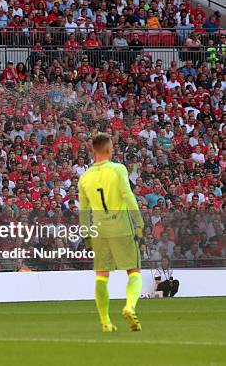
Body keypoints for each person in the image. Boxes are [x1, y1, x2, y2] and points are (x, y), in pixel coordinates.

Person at [78, 133, 144, 332]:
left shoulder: (85, 177)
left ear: (93, 150)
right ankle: (129, 306)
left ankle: (105, 322)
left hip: (99, 230)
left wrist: (86, 234)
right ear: (109, 149)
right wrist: (139, 223)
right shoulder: (117, 169)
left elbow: (83, 210)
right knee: (133, 270)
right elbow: (128, 196)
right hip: (121, 226)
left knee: (101, 275)